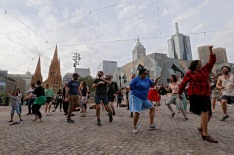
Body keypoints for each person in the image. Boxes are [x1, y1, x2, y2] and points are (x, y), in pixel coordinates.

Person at [178, 45, 218, 143]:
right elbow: (183, 84)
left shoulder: (205, 70)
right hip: (196, 94)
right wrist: (179, 93)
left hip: (205, 94)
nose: (200, 65)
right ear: (194, 65)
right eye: (199, 64)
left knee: (209, 115)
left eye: (201, 64)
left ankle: (201, 127)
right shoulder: (189, 73)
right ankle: (205, 134)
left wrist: (211, 51)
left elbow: (211, 62)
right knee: (204, 112)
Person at [129, 68, 159, 134]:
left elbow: (153, 85)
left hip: (144, 98)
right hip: (136, 97)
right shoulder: (136, 79)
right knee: (137, 112)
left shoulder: (147, 79)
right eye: (144, 73)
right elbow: (130, 86)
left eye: (146, 73)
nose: (146, 75)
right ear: (141, 73)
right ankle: (134, 127)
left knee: (152, 108)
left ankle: (151, 125)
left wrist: (156, 80)